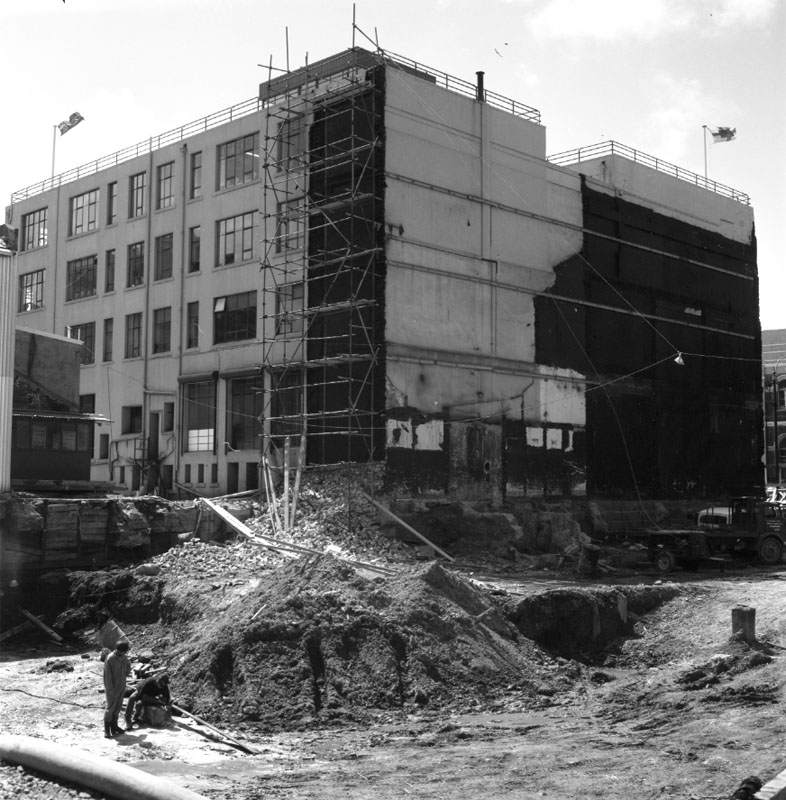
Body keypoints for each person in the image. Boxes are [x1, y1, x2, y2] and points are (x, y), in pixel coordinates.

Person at [103, 640, 131, 738]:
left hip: (121, 686)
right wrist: (110, 689)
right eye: (124, 652)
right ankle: (107, 730)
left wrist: (127, 671)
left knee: (118, 707)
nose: (125, 653)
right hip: (112, 687)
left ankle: (114, 727)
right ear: (119, 650)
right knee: (110, 708)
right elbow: (107, 676)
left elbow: (128, 665)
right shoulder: (110, 659)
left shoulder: (124, 657)